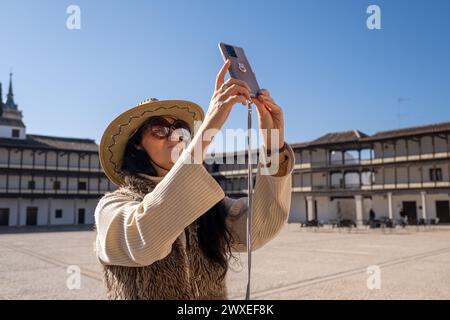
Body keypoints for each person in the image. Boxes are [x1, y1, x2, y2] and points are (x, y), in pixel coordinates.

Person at [94, 60, 295, 299]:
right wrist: (209, 126)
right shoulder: (111, 207)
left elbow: (260, 226)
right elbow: (143, 240)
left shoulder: (207, 206)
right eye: (159, 129)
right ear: (137, 143)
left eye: (181, 128)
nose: (175, 136)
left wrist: (273, 144)